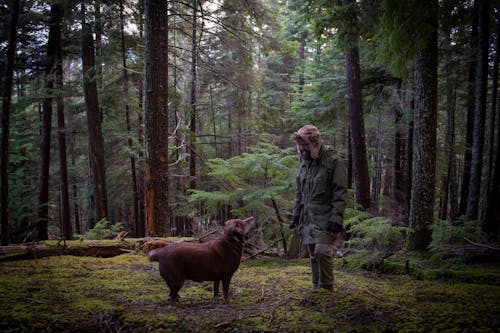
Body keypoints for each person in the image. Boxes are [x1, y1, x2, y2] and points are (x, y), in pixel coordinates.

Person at [290, 124, 347, 291]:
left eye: (304, 146)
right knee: (313, 253)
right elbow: (299, 191)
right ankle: (317, 289)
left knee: (322, 251)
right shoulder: (305, 161)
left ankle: (327, 289)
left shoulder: (333, 161)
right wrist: (296, 216)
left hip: (326, 216)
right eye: (300, 147)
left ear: (314, 144)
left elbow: (340, 193)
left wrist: (336, 220)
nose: (301, 150)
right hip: (307, 216)